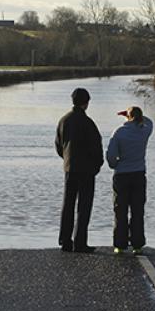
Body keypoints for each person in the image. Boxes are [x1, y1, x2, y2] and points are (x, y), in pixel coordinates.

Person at [55, 87, 104, 253]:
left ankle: (65, 240)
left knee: (67, 204)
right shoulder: (88, 123)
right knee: (84, 206)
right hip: (87, 170)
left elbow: (59, 145)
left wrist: (67, 160)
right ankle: (80, 242)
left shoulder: (64, 120)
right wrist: (96, 166)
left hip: (70, 168)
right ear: (86, 103)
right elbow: (97, 147)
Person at [106, 106, 153, 255]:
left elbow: (111, 156)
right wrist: (135, 116)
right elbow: (150, 122)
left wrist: (115, 165)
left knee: (120, 210)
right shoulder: (144, 131)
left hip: (122, 175)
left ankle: (120, 245)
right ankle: (137, 244)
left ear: (128, 117)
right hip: (139, 174)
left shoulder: (119, 132)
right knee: (137, 210)